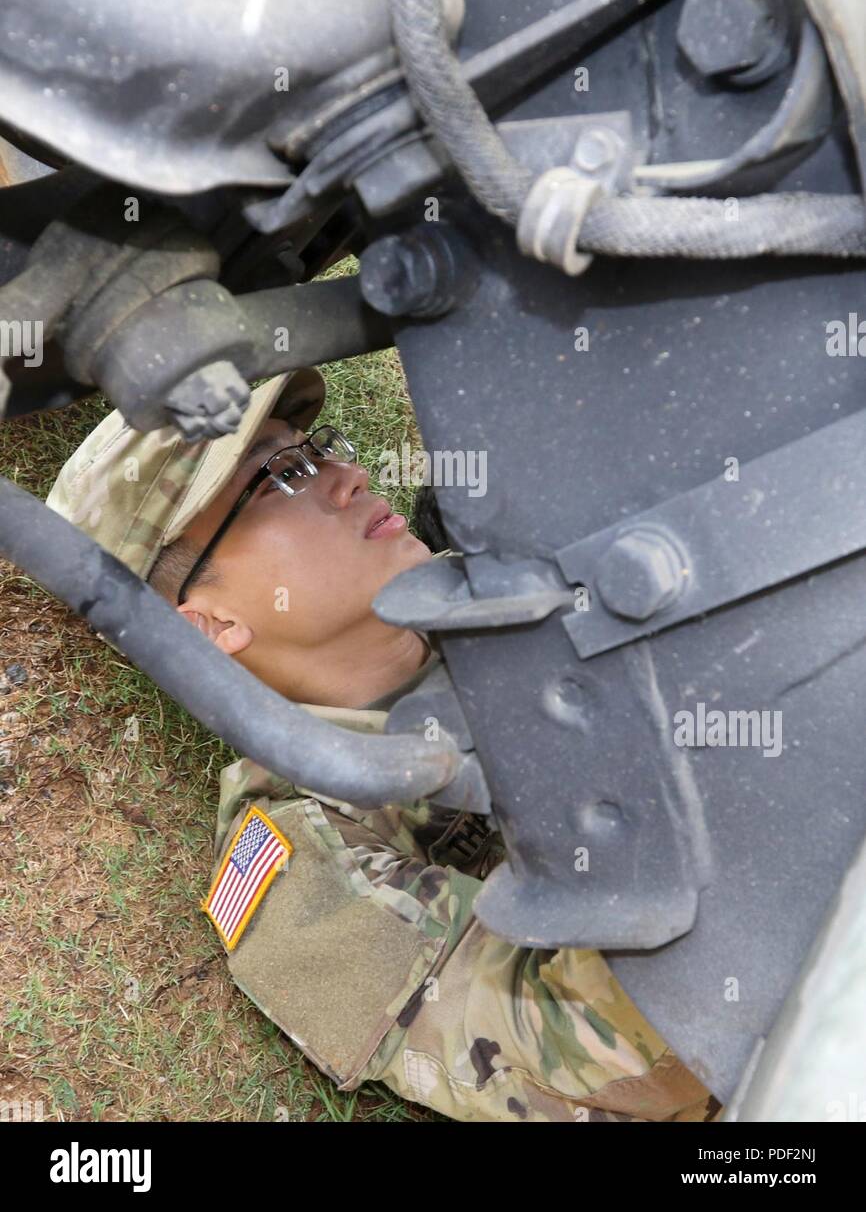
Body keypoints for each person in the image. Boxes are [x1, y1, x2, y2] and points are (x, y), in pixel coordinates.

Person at [47, 366, 720, 1122]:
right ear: (206, 625)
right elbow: (607, 1055)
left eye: (321, 449)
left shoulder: (527, 577)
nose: (350, 476)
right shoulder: (306, 871)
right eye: (281, 475)